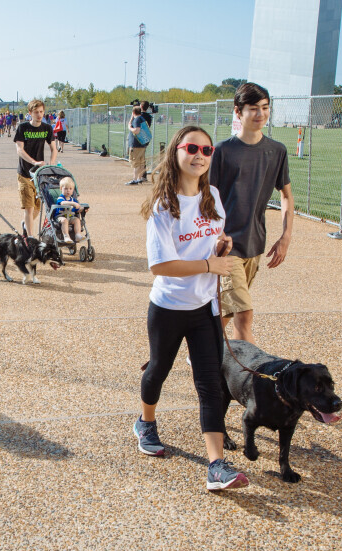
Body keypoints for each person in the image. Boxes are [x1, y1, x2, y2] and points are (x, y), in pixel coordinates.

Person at [136, 125, 247, 492]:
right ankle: (145, 422)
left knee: (210, 384)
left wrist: (221, 246)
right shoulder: (163, 207)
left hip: (205, 308)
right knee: (158, 370)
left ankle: (216, 465)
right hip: (168, 306)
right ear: (177, 153)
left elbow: (212, 239)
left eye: (207, 149)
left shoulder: (211, 194)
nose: (200, 155)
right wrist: (207, 266)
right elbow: (160, 266)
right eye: (192, 148)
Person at [209, 82, 294, 344]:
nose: (261, 114)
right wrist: (217, 234)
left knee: (229, 311)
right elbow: (207, 198)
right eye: (253, 109)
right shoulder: (223, 151)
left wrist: (285, 237)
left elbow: (287, 196)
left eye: (265, 108)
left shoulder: (277, 151)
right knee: (244, 313)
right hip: (227, 245)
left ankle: (203, 348)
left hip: (255, 244)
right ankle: (252, 376)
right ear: (238, 112)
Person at [14, 99, 58, 239]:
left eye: (41, 112)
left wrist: (51, 163)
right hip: (25, 173)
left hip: (39, 175)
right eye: (36, 112)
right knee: (29, 206)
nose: (39, 115)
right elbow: (19, 150)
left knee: (37, 207)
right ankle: (30, 237)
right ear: (30, 113)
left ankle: (26, 225)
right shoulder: (23, 128)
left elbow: (53, 148)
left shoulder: (47, 128)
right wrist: (34, 161)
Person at [53, 176, 83, 245]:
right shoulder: (61, 198)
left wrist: (81, 209)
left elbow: (77, 209)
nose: (68, 190)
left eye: (70, 189)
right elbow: (63, 203)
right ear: (61, 189)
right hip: (60, 216)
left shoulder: (73, 199)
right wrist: (73, 204)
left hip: (70, 216)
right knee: (64, 221)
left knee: (77, 220)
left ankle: (78, 235)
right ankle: (66, 236)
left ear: (73, 190)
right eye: (66, 189)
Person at [125, 106, 150, 185]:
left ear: (133, 112)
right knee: (141, 162)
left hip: (136, 144)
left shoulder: (137, 120)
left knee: (136, 162)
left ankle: (135, 179)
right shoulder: (142, 118)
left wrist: (130, 128)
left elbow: (137, 130)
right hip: (142, 144)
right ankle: (139, 178)